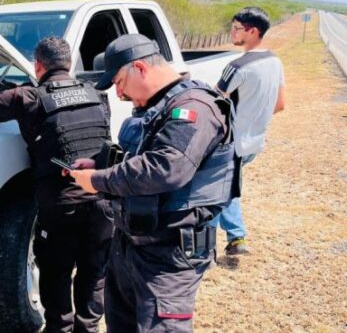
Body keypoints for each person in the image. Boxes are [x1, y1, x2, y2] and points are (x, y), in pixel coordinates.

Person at [68, 34, 236, 332]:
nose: (118, 94)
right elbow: (141, 154)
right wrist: (101, 164)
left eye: (119, 82)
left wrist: (98, 180)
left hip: (168, 254)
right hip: (131, 243)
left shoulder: (195, 108)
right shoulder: (159, 106)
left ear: (140, 68)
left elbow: (165, 168)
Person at [0, 37, 113, 333]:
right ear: (69, 64)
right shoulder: (96, 94)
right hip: (103, 202)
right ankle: (88, 328)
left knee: (56, 273)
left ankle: (60, 328)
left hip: (61, 207)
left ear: (38, 65)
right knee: (94, 272)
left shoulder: (26, 97)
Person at [210, 6, 286, 255]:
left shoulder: (237, 67)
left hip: (229, 142)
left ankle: (205, 248)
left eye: (236, 28)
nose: (232, 32)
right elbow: (280, 105)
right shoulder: (275, 62)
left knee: (210, 190)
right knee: (228, 187)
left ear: (252, 31)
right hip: (254, 143)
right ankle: (236, 238)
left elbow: (213, 104)